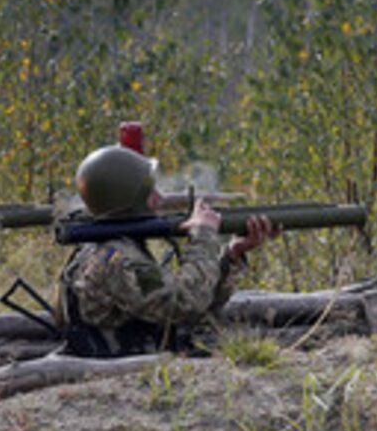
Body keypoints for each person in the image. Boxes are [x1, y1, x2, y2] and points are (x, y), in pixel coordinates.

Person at [58, 144, 276, 357]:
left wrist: (232, 255)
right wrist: (203, 237)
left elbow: (193, 304)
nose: (160, 198)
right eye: (150, 191)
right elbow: (185, 304)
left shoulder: (108, 249)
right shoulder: (118, 260)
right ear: (128, 199)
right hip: (123, 377)